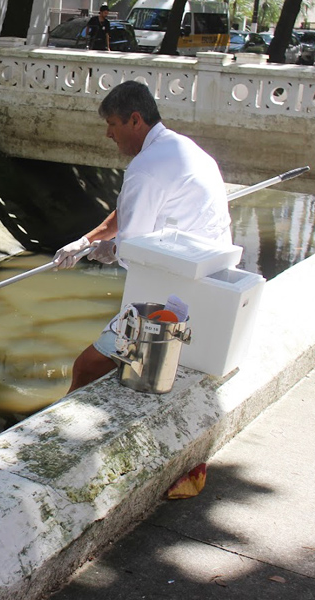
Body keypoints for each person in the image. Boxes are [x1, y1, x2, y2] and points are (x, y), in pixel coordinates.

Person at [54, 80, 232, 393]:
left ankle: (51, 431)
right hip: (209, 277)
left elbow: (132, 249)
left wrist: (110, 250)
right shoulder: (182, 148)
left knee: (87, 366)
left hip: (173, 294)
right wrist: (86, 241)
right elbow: (125, 213)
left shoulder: (145, 167)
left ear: (135, 119)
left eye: (112, 124)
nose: (108, 133)